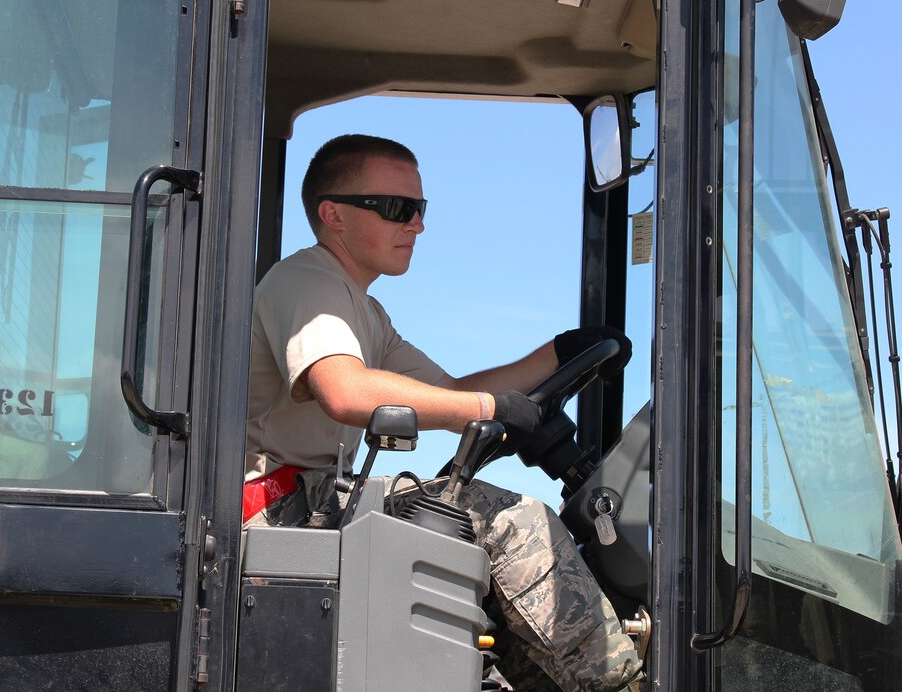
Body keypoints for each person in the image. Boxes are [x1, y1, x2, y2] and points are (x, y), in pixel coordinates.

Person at [245, 134, 641, 691]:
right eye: (398, 209)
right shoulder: (305, 280)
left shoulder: (364, 309)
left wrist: (558, 353)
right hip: (278, 511)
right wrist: (488, 408)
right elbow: (345, 391)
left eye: (420, 209)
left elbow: (448, 389)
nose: (417, 225)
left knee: (484, 568)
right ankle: (625, 683)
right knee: (511, 523)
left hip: (315, 503)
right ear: (333, 215)